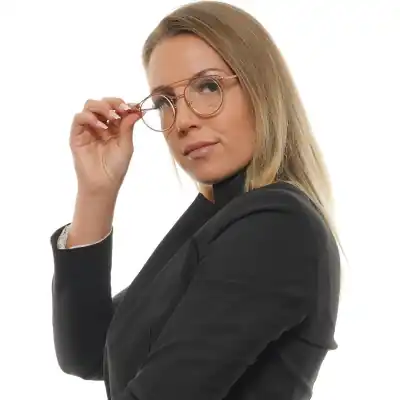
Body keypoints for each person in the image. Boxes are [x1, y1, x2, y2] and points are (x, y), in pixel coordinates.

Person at [50, 1, 341, 399]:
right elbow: (88, 351)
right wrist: (96, 192)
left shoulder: (276, 226)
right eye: (165, 102)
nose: (183, 121)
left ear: (261, 89)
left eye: (208, 87)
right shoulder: (222, 218)